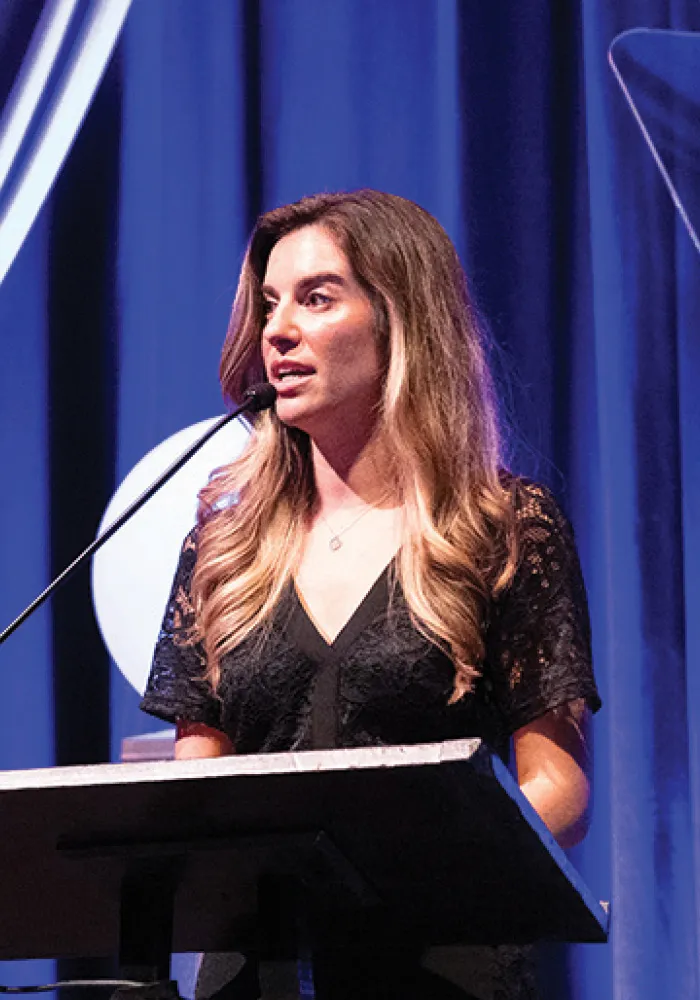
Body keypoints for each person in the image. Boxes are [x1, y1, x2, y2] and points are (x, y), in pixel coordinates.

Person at [141, 190, 601, 1000]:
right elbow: (198, 777)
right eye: (271, 304)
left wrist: (423, 862)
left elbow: (558, 788)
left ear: (402, 321)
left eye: (317, 298)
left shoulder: (501, 527)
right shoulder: (225, 543)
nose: (277, 329)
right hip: (259, 972)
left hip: (443, 964)